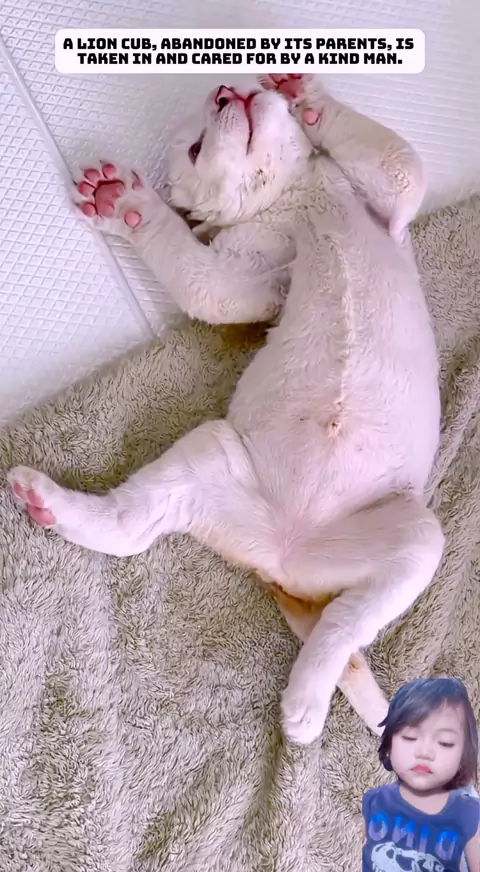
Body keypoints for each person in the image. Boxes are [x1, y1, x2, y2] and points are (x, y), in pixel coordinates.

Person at [362, 677, 479, 871]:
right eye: (410, 737)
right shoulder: (373, 800)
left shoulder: (468, 813)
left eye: (445, 742)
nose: (425, 752)